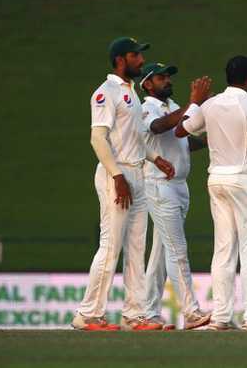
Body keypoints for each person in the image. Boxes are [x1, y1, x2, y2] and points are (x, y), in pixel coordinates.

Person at [73, 38, 175, 331]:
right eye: (135, 55)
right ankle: (88, 314)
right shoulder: (105, 93)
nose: (141, 60)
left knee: (135, 247)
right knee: (111, 246)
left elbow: (138, 139)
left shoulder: (131, 93)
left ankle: (135, 313)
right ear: (120, 59)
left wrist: (156, 159)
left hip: (137, 174)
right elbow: (97, 138)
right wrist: (117, 176)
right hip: (115, 176)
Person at [175, 55, 247, 331]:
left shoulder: (210, 104)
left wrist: (196, 102)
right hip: (243, 180)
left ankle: (221, 317)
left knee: (223, 249)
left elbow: (179, 130)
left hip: (216, 180)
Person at [139, 62, 211, 330]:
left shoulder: (172, 105)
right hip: (159, 185)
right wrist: (193, 104)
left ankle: (149, 313)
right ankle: (191, 312)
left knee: (160, 252)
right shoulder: (146, 106)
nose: (167, 80)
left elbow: (182, 140)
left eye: (168, 76)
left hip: (179, 185)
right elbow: (158, 127)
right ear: (147, 84)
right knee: (177, 250)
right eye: (160, 77)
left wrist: (210, 137)